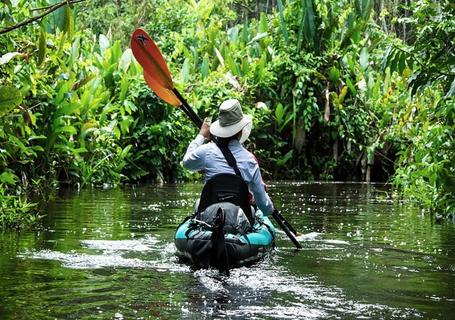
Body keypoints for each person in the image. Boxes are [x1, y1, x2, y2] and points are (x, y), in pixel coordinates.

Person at [182, 99, 274, 217]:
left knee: (198, 203)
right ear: (241, 130)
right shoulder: (250, 160)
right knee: (255, 210)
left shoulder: (206, 151)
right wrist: (261, 196)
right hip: (239, 221)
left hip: (210, 218)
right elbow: (265, 208)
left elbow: (186, 163)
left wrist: (201, 135)